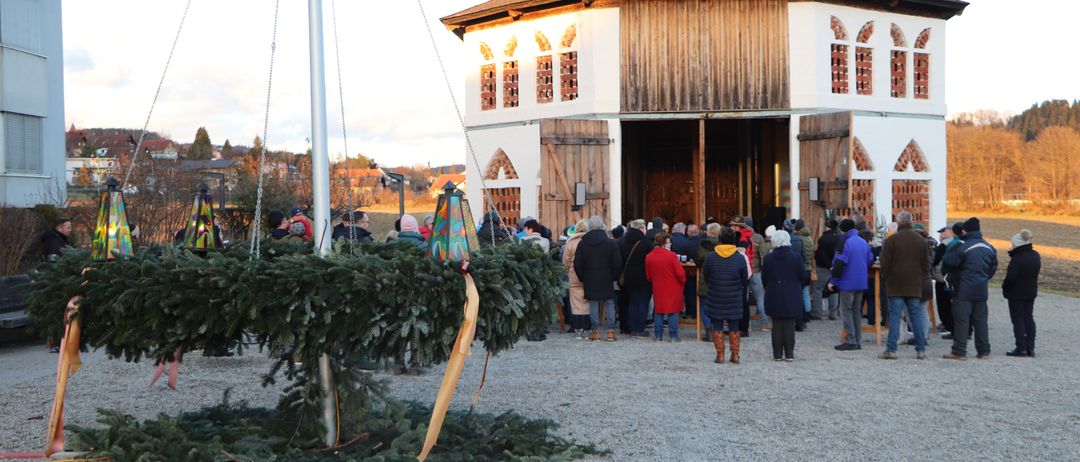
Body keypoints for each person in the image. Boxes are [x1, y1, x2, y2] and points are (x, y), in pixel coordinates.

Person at [942, 217, 998, 360]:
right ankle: (984, 351)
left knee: (961, 320)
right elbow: (992, 268)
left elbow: (948, 263)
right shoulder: (989, 247)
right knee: (980, 321)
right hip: (981, 289)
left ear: (965, 230)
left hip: (962, 290)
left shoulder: (962, 246)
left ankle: (959, 351)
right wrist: (983, 278)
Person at [878, 212, 930, 360]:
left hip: (895, 285)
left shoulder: (891, 240)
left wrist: (886, 278)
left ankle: (891, 350)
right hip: (914, 284)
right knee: (915, 317)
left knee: (895, 317)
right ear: (911, 222)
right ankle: (921, 350)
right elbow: (926, 266)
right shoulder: (920, 241)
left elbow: (884, 263)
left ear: (898, 222)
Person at [702, 227, 749, 364]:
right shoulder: (739, 258)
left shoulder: (711, 257)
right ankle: (735, 355)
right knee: (734, 324)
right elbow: (744, 279)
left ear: (720, 240)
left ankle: (720, 355)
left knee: (717, 323)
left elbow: (706, 276)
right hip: (734, 295)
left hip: (716, 294)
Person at [574, 215, 622, 342]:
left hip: (590, 277)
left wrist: (583, 277)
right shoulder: (610, 243)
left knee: (593, 303)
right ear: (602, 226)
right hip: (607, 276)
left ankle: (595, 332)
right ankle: (611, 331)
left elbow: (577, 264)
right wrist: (614, 276)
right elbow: (617, 263)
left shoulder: (583, 243)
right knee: (609, 302)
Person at [762, 230, 808, 361]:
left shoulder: (769, 258)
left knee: (776, 325)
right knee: (789, 325)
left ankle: (777, 354)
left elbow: (764, 278)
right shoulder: (796, 257)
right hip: (792, 292)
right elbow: (803, 276)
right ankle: (789, 353)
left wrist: (769, 287)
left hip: (774, 292)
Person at [831, 218, 874, 351]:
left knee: (846, 311)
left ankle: (850, 340)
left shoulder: (845, 241)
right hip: (861, 281)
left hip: (847, 281)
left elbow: (839, 263)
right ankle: (857, 340)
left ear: (842, 229)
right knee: (856, 311)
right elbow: (870, 259)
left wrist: (833, 281)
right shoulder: (863, 241)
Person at [1002, 229, 1040, 357]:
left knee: (1018, 320)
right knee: (1029, 318)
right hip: (1030, 292)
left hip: (1016, 294)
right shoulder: (1036, 255)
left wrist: (1005, 287)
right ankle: (1031, 348)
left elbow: (1011, 278)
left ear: (1017, 244)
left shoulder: (1017, 258)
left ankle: (1021, 348)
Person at [646, 232, 686, 342]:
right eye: (669, 242)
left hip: (658, 286)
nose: (671, 244)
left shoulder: (649, 256)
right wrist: (682, 282)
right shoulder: (671, 255)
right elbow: (680, 273)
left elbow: (648, 276)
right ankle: (673, 335)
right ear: (664, 244)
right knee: (672, 310)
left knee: (658, 311)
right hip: (673, 286)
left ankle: (658, 335)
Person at [619, 219, 655, 337]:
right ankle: (640, 328)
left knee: (633, 302)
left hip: (628, 277)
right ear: (641, 229)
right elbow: (651, 260)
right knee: (643, 303)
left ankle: (632, 327)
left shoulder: (622, 241)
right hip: (644, 277)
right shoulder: (646, 243)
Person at [563, 219, 591, 338]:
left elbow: (566, 261)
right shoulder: (589, 242)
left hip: (573, 274)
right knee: (587, 299)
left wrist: (569, 269)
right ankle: (586, 326)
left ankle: (577, 327)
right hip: (588, 273)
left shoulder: (570, 243)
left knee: (575, 301)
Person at [694, 223, 722, 341]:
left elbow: (699, 260)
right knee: (718, 306)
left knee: (704, 306)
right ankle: (716, 330)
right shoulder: (722, 244)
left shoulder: (702, 244)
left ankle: (708, 328)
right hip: (720, 278)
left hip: (705, 277)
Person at [932, 224, 958, 337]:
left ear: (951, 231)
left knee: (944, 305)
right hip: (949, 278)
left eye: (943, 232)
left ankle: (949, 326)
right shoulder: (957, 242)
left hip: (942, 278)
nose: (940, 234)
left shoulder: (945, 244)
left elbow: (935, 259)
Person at [814, 220, 841, 320]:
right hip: (836, 267)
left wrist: (828, 265)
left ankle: (817, 313)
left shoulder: (823, 239)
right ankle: (833, 314)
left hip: (823, 267)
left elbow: (821, 254)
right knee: (833, 290)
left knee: (818, 289)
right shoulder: (840, 238)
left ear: (828, 227)